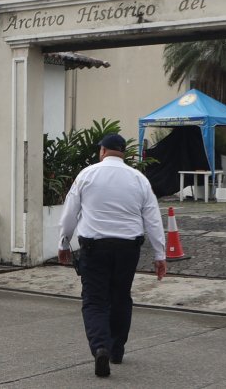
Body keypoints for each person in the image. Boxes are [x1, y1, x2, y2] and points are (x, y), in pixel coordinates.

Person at [58, 133, 167, 378]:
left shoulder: (87, 175)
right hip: (128, 249)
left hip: (94, 248)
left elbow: (69, 215)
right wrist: (160, 255)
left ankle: (100, 347)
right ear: (123, 153)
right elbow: (152, 218)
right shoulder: (139, 179)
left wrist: (64, 243)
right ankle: (116, 349)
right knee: (120, 297)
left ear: (103, 151)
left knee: (95, 301)